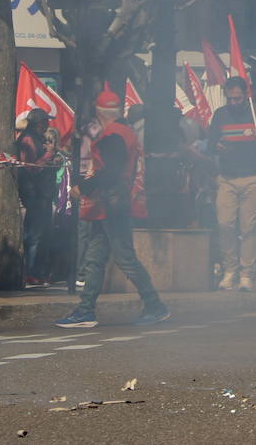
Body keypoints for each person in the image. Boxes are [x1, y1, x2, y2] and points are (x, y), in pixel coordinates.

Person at [56, 90, 167, 328]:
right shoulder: (125, 132)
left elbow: (111, 172)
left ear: (98, 112)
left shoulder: (113, 135)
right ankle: (86, 310)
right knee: (95, 258)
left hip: (112, 203)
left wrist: (82, 187)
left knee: (125, 258)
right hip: (109, 204)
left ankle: (155, 305)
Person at [209, 76, 256, 291]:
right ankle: (229, 270)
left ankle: (246, 273)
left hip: (253, 176)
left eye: (238, 99)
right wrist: (218, 147)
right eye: (230, 98)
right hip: (227, 178)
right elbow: (211, 143)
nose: (234, 103)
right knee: (225, 224)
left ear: (246, 96)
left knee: (249, 228)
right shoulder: (220, 115)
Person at [15, 108, 57, 284]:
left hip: (43, 193)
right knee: (33, 235)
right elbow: (30, 167)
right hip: (35, 193)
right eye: (45, 121)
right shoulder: (27, 139)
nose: (48, 124)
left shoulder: (38, 139)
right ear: (39, 123)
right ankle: (29, 272)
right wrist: (49, 155)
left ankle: (38, 272)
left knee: (43, 234)